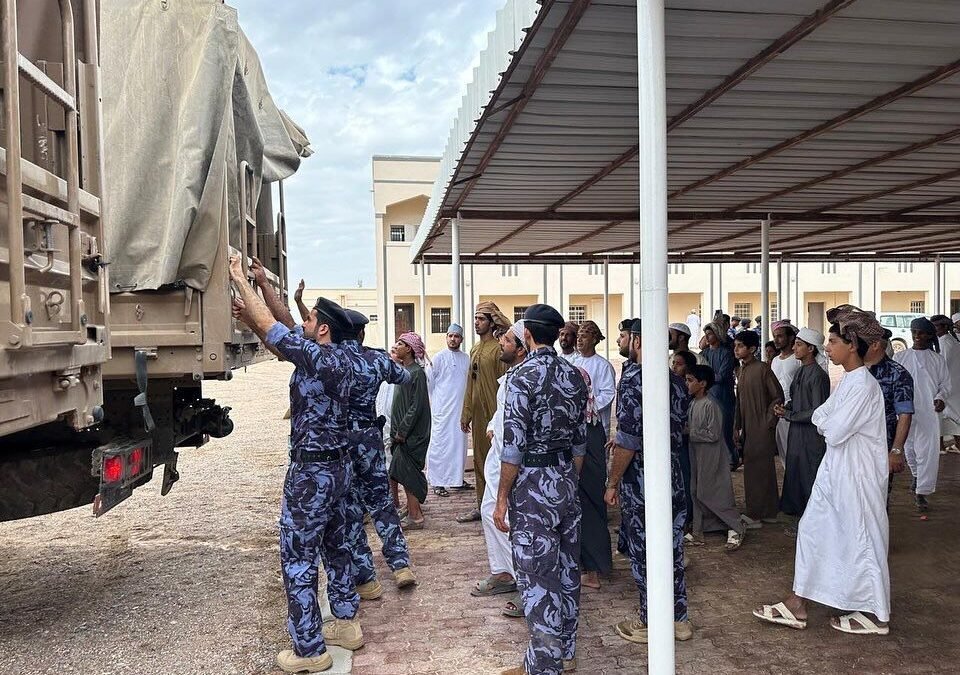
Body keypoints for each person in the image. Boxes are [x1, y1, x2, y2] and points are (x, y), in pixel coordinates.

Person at [229, 255, 361, 672]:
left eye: (311, 319)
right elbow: (282, 331)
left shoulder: (319, 359)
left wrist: (240, 280)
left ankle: (309, 650)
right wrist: (258, 301)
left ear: (322, 329)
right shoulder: (343, 358)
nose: (303, 321)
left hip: (311, 474)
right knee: (338, 546)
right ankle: (345, 622)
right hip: (339, 470)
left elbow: (277, 329)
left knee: (299, 556)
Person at [754, 305, 891, 636]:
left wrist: (825, 420)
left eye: (832, 341)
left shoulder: (862, 386)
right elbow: (821, 416)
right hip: (839, 476)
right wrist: (824, 420)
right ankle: (799, 603)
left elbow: (832, 429)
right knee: (820, 534)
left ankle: (876, 615)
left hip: (856, 480)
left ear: (852, 344)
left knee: (861, 540)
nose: (827, 347)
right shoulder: (849, 382)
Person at [495, 305, 587, 675]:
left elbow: (513, 447)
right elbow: (581, 443)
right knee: (567, 569)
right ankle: (565, 651)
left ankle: (544, 666)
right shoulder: (574, 375)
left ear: (528, 336)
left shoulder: (522, 377)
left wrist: (502, 498)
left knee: (537, 578)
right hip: (566, 476)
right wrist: (566, 478)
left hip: (532, 484)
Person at [607, 318, 692, 644]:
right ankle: (679, 619)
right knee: (672, 546)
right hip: (672, 471)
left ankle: (651, 622)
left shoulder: (633, 381)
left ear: (639, 341)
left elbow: (629, 439)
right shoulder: (675, 380)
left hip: (642, 476)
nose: (621, 339)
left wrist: (613, 482)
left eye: (625, 335)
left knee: (644, 551)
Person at [338, 309, 416, 603]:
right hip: (369, 439)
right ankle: (400, 565)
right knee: (381, 502)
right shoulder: (376, 359)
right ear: (361, 333)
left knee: (351, 509)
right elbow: (404, 377)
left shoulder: (330, 359)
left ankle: (366, 578)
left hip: (341, 442)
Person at [472, 321, 528, 618]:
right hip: (498, 455)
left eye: (506, 340)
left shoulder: (524, 378)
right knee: (488, 512)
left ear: (520, 349)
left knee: (506, 519)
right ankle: (504, 573)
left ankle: (525, 583)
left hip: (513, 460)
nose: (500, 344)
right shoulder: (510, 375)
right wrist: (493, 427)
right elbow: (501, 413)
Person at [459, 302, 511, 522]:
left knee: (498, 460)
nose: (476, 323)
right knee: (480, 459)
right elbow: (470, 383)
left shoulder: (499, 349)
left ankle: (500, 504)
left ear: (491, 323)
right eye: (475, 319)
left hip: (495, 412)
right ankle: (481, 505)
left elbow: (506, 384)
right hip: (479, 414)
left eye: (481, 319)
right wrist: (466, 412)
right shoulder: (474, 349)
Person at [686, 364, 746, 551]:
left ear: (702, 384)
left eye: (690, 380)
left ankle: (736, 526)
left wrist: (689, 432)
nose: (687, 384)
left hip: (711, 455)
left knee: (712, 491)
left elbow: (713, 434)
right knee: (696, 491)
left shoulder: (711, 405)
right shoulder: (693, 403)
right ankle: (699, 530)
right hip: (696, 453)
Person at [894, 317, 950, 511]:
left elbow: (945, 385)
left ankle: (922, 492)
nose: (917, 336)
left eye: (921, 332)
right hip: (904, 411)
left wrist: (941, 398)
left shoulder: (937, 360)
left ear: (929, 335)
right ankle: (916, 476)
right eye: (914, 332)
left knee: (927, 451)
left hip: (928, 411)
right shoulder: (900, 358)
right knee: (908, 447)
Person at [776, 328, 830, 520]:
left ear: (811, 349)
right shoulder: (800, 372)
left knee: (809, 470)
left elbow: (817, 410)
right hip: (796, 430)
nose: (794, 348)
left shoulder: (817, 375)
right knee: (794, 467)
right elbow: (797, 400)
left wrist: (790, 414)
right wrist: (785, 408)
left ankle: (812, 513)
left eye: (799, 345)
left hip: (810, 434)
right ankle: (794, 508)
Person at [733, 329, 784, 527]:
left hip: (761, 428)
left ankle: (757, 515)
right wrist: (736, 426)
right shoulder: (742, 370)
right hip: (748, 427)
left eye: (740, 346)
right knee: (757, 470)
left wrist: (767, 422)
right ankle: (766, 511)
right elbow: (739, 401)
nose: (736, 350)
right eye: (735, 346)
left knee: (759, 471)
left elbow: (777, 396)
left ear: (752, 349)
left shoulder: (762, 369)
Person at [389, 332, 432, 528]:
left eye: (400, 343)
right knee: (403, 472)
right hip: (402, 435)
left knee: (409, 473)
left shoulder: (416, 373)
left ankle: (415, 517)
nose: (396, 346)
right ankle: (413, 509)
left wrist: (403, 431)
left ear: (409, 349)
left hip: (411, 436)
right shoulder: (404, 371)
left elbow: (416, 406)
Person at [864, 329, 911, 506]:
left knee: (877, 499)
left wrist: (896, 451)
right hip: (855, 445)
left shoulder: (898, 374)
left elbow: (905, 414)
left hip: (881, 445)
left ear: (875, 345)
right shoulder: (857, 369)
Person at [576, 365, 613, 591]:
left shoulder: (582, 422)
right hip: (592, 478)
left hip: (586, 479)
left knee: (587, 515)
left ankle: (591, 572)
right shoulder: (593, 419)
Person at [426, 324, 471, 496]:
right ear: (446, 337)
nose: (453, 339)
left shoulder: (466, 358)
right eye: (450, 336)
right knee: (440, 445)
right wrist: (439, 402)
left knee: (459, 445)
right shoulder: (438, 358)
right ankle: (437, 482)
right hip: (442, 411)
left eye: (456, 336)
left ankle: (456, 479)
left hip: (460, 411)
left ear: (461, 339)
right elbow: (430, 383)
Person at [702, 321, 738, 468]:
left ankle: (732, 459)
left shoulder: (726, 353)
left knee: (725, 428)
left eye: (710, 334)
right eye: (706, 334)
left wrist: (706, 378)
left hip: (723, 395)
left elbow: (722, 376)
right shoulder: (704, 353)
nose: (707, 337)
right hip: (707, 395)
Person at [770, 320, 801, 468]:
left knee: (795, 451)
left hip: (794, 411)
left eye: (780, 336)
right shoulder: (775, 361)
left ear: (790, 338)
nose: (776, 340)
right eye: (774, 336)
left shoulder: (798, 359)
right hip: (778, 411)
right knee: (783, 451)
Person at [931, 315, 960, 453]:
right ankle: (941, 446)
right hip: (952, 384)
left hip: (949, 385)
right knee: (945, 418)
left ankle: (941, 446)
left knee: (948, 416)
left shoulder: (946, 342)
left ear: (944, 327)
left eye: (936, 326)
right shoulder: (948, 340)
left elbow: (942, 366)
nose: (934, 329)